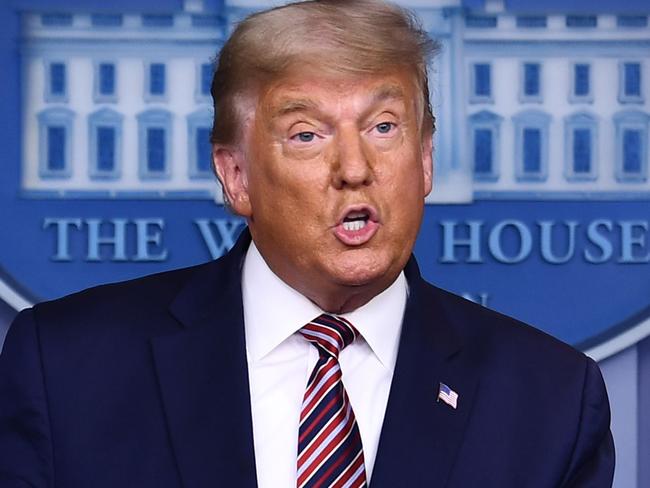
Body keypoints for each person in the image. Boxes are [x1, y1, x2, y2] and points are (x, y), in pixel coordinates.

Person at [0, 0, 614, 486]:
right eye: (306, 134)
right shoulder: (66, 368)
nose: (355, 167)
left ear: (425, 161)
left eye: (383, 127)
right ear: (235, 176)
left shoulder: (551, 399)